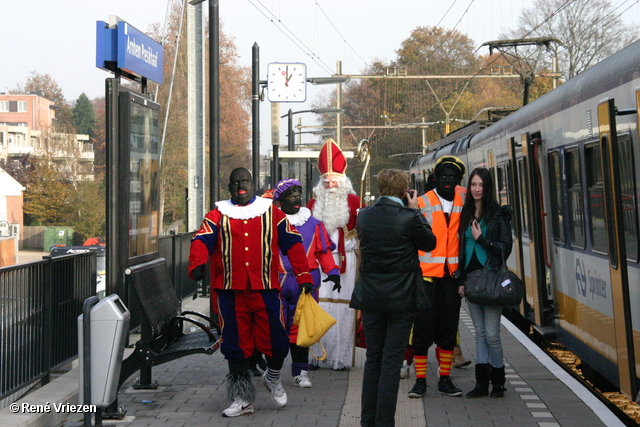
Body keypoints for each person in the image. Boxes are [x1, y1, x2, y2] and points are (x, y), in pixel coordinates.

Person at [188, 168, 314, 418]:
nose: (240, 186)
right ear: (229, 187)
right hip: (230, 291)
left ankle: (273, 378)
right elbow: (201, 240)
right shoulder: (217, 214)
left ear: (253, 183)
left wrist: (304, 276)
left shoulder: (272, 212)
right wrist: (198, 262)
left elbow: (293, 243)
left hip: (265, 289)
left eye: (244, 181)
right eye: (234, 183)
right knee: (235, 345)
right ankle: (242, 399)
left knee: (277, 341)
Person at [351, 169, 436, 427]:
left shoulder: (363, 217)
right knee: (391, 361)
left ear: (379, 188)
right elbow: (429, 243)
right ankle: (385, 422)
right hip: (402, 298)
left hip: (372, 297)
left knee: (374, 359)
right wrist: (416, 210)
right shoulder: (409, 217)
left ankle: (368, 421)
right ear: (404, 191)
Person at [272, 178, 341, 388]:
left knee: (301, 330)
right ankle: (272, 372)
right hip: (277, 282)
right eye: (290, 196)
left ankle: (300, 372)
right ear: (280, 200)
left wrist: (333, 271)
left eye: (298, 195)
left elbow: (323, 251)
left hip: (307, 285)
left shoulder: (313, 223)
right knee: (275, 328)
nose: (296, 199)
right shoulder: (273, 223)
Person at [408, 155, 466, 398]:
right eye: (443, 176)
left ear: (458, 180)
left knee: (448, 330)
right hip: (426, 276)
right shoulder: (422, 202)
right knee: (422, 330)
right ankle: (420, 381)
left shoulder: (465, 200)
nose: (447, 180)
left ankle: (445, 379)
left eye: (452, 177)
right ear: (436, 178)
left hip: (452, 278)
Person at [307, 139, 363, 371]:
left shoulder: (354, 202)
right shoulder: (312, 204)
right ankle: (316, 356)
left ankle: (340, 359)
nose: (330, 184)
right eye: (326, 180)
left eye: (334, 180)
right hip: (319, 264)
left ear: (343, 180)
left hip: (347, 263)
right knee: (318, 307)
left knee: (343, 307)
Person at [458, 167, 513, 398]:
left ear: (487, 187)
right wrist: (460, 280)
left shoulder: (499, 214)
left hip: (490, 280)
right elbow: (458, 248)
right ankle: (481, 383)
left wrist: (482, 240)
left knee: (492, 334)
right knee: (479, 333)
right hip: (470, 281)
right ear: (469, 187)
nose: (477, 189)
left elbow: (505, 249)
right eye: (473, 185)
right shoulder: (464, 212)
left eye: (481, 185)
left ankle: (498, 381)